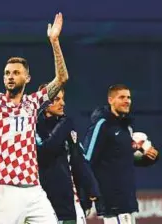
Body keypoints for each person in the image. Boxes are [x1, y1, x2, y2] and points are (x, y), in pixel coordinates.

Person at [0, 12, 69, 224]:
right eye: (7, 73)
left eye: (15, 73)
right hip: (5, 190)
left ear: (27, 78)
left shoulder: (33, 103)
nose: (10, 77)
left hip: (33, 189)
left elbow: (62, 78)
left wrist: (55, 42)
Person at [83, 84, 159, 224]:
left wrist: (149, 158)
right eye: (122, 97)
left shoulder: (127, 128)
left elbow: (126, 159)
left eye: (129, 97)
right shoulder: (102, 125)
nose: (127, 101)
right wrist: (89, 190)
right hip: (112, 198)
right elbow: (87, 159)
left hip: (126, 197)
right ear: (110, 100)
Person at [36, 84, 100, 224]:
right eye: (57, 99)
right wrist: (64, 126)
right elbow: (45, 152)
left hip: (69, 200)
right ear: (44, 103)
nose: (62, 103)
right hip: (42, 201)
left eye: (63, 99)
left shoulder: (66, 125)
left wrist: (90, 187)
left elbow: (78, 159)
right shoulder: (34, 125)